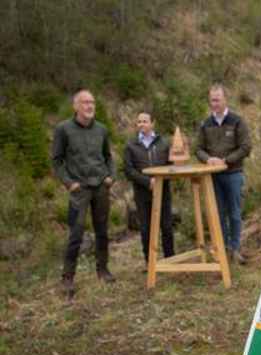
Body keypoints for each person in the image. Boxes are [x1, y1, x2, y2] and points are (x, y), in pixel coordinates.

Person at [52, 89, 116, 297]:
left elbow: (109, 157)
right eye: (85, 102)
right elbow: (57, 161)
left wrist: (110, 177)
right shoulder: (63, 129)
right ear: (76, 106)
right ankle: (67, 278)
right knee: (76, 234)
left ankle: (103, 270)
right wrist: (69, 183)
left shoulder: (102, 130)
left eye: (92, 102)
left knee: (102, 231)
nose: (90, 106)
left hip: (100, 186)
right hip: (79, 189)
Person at [196, 84, 251, 264]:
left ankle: (235, 249)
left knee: (234, 213)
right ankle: (223, 249)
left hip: (233, 173)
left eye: (218, 99)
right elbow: (198, 149)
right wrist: (208, 160)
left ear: (225, 99)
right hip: (213, 176)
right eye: (212, 100)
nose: (215, 103)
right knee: (218, 214)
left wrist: (226, 161)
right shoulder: (205, 124)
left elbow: (245, 147)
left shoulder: (237, 121)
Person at [124, 112, 175, 267]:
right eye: (139, 122)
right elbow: (129, 170)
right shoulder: (131, 145)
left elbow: (172, 166)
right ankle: (150, 262)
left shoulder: (164, 143)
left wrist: (160, 180)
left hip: (163, 191)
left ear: (152, 123)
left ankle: (170, 260)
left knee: (166, 226)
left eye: (145, 121)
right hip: (142, 193)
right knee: (146, 228)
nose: (142, 124)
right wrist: (147, 182)